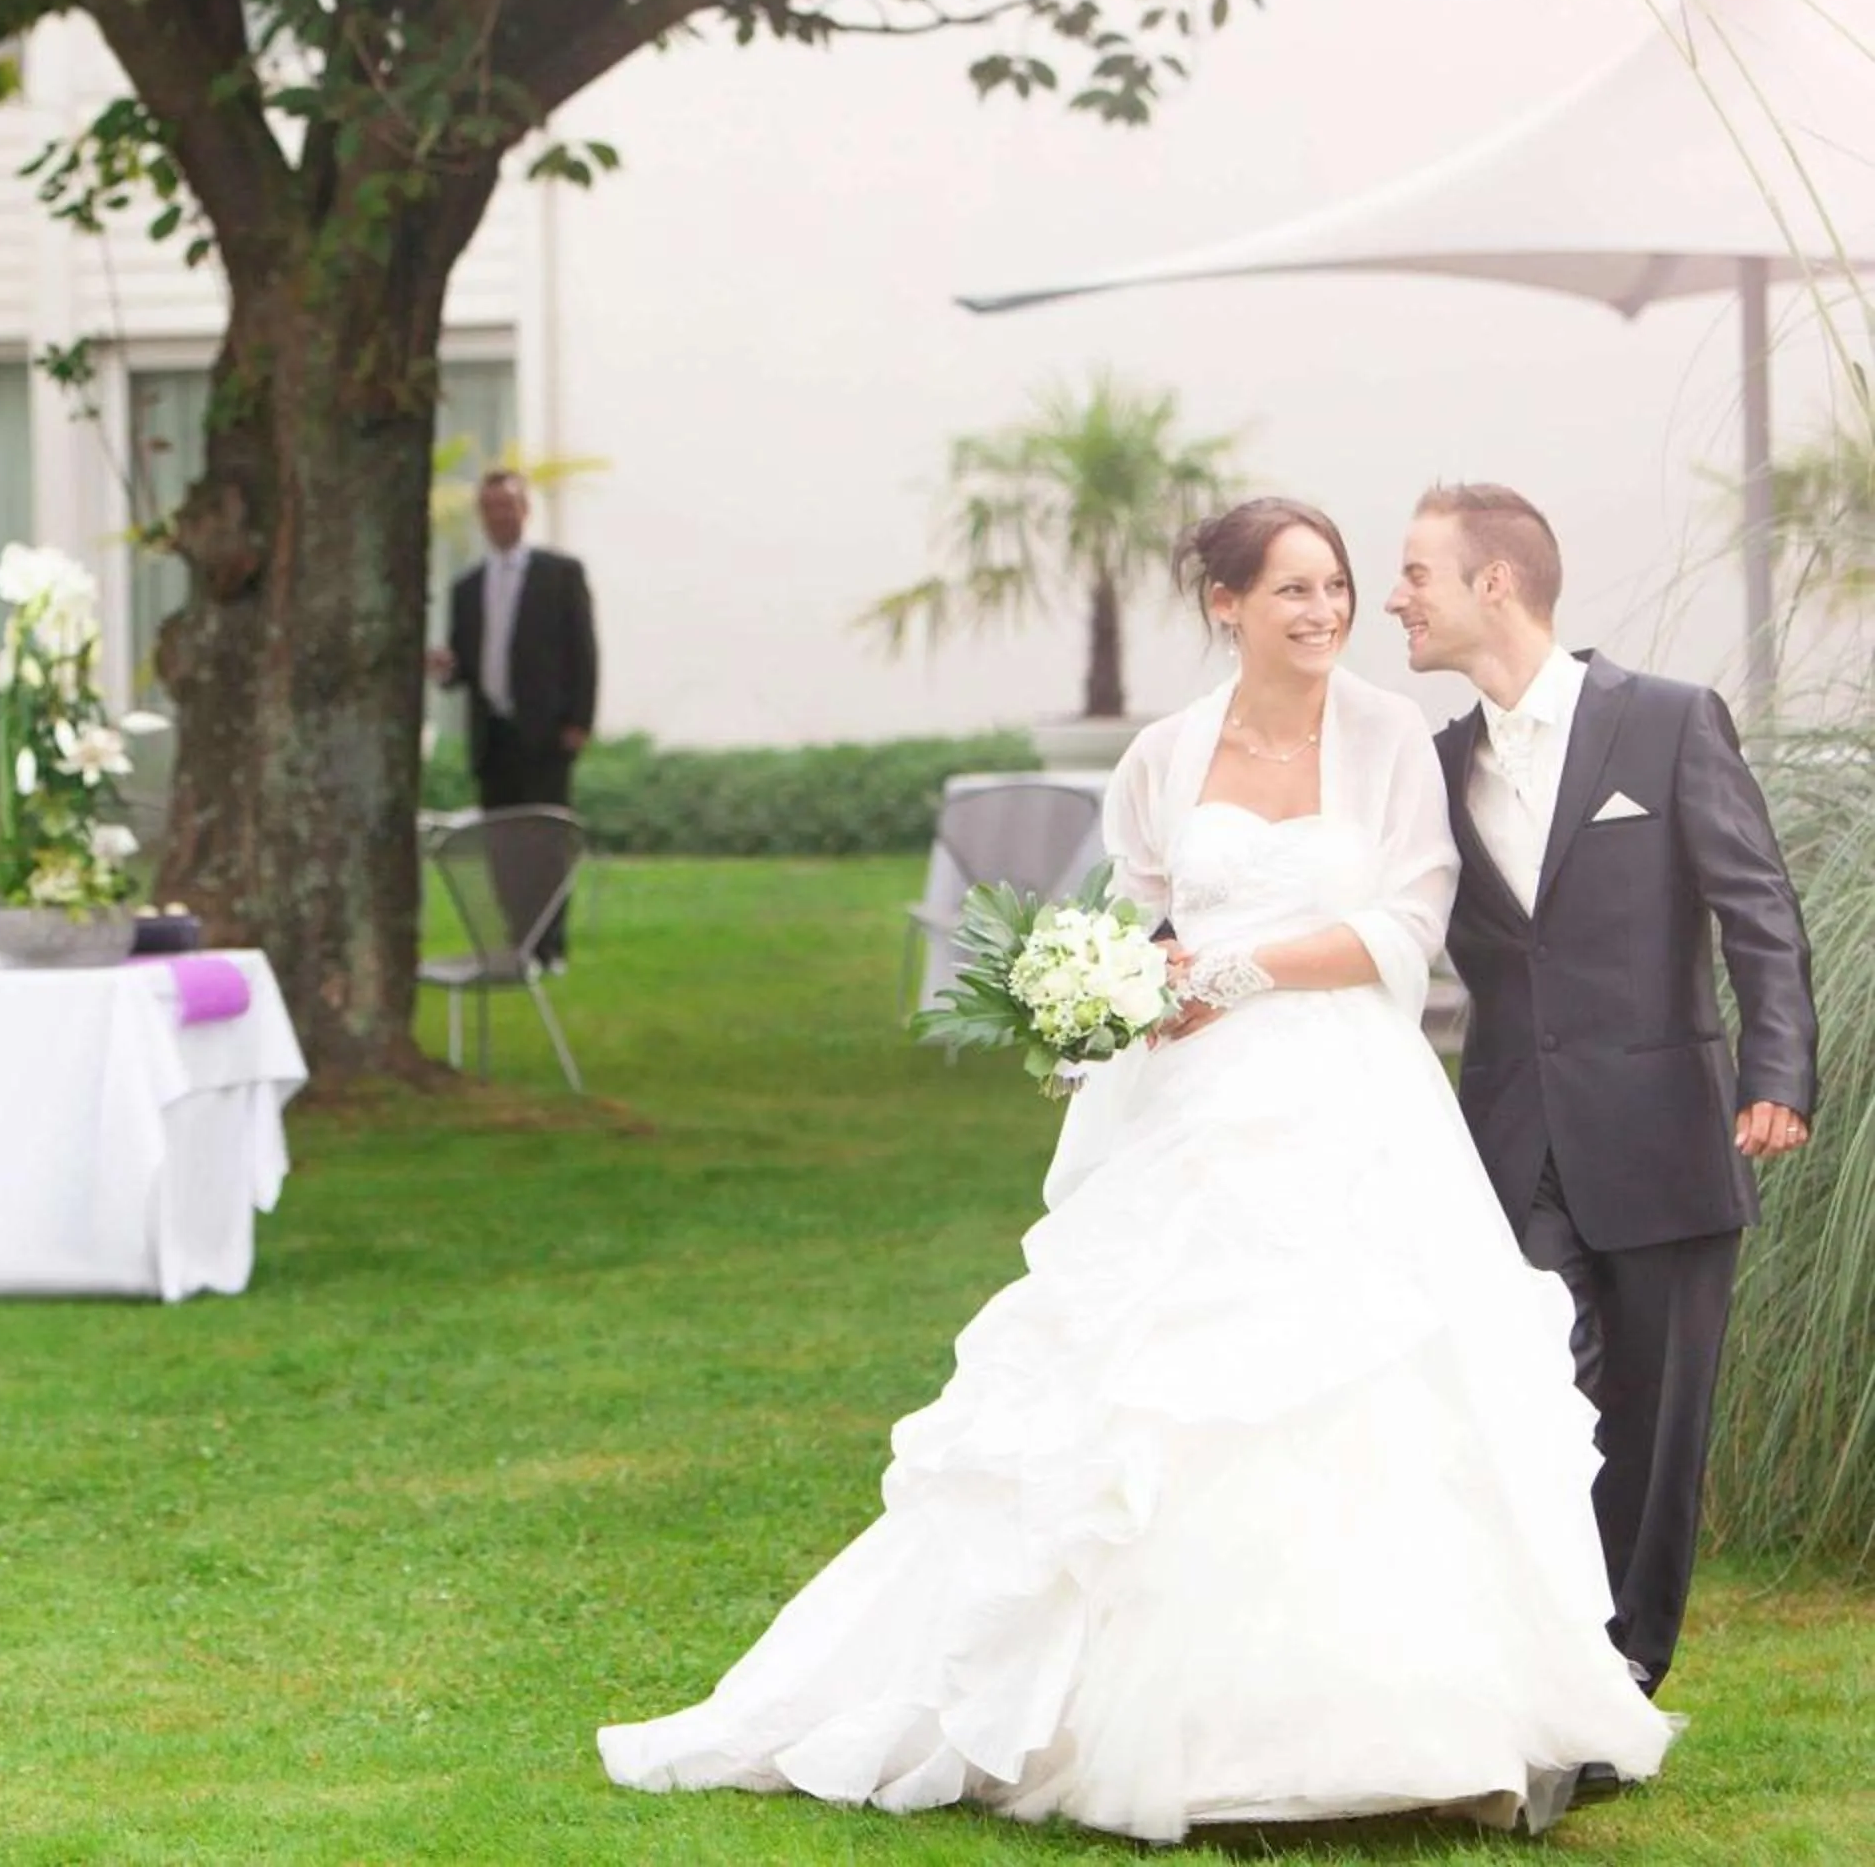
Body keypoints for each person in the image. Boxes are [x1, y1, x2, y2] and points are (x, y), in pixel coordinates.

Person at [600, 497, 1669, 1842]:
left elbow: (1407, 920)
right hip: (1197, 1108)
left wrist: (1231, 970)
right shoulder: (1163, 757)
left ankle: (1427, 1726)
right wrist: (1099, 999)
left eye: (1337, 587)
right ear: (1226, 605)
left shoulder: (1393, 737)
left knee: (1377, 1375)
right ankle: (1169, 1725)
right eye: (1292, 589)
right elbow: (1138, 918)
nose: (1325, 611)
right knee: (1165, 1395)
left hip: (1350, 1096)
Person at [1386, 482, 1814, 1697]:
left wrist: (1778, 1071)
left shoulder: (1671, 722)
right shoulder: (1431, 767)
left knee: (1653, 1431)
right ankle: (1529, 1660)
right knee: (1520, 1399)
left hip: (1671, 1139)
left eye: (1417, 572)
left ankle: (1625, 1673)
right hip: (1510, 1143)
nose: (1395, 598)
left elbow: (1759, 911)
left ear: (1495, 583)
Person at [429, 469, 597, 960]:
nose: (499, 517)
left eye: (508, 506)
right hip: (494, 735)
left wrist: (579, 721)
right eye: (490, 509)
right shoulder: (468, 587)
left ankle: (550, 943)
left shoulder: (560, 575)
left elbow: (583, 652)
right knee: (501, 843)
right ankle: (515, 937)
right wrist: (443, 669)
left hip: (546, 732)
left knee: (545, 840)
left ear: (524, 511)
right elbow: (464, 665)